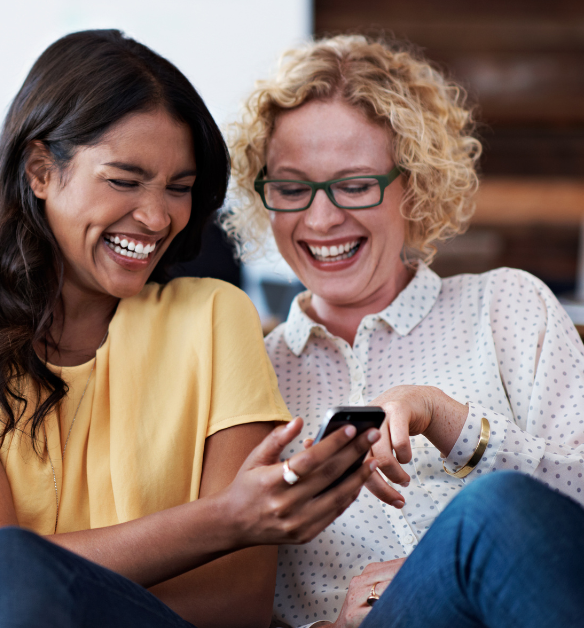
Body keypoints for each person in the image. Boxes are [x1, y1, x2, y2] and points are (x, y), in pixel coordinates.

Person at [0, 30, 380, 628]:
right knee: (6, 565)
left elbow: (238, 604)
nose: (157, 218)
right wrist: (227, 519)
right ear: (40, 171)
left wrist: (68, 599)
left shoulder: (215, 318)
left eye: (179, 189)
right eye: (125, 181)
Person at [221, 35, 584, 627]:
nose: (321, 218)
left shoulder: (506, 307)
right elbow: (235, 599)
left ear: (413, 184)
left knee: (489, 507)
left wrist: (447, 419)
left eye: (354, 184)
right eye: (291, 188)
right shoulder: (251, 377)